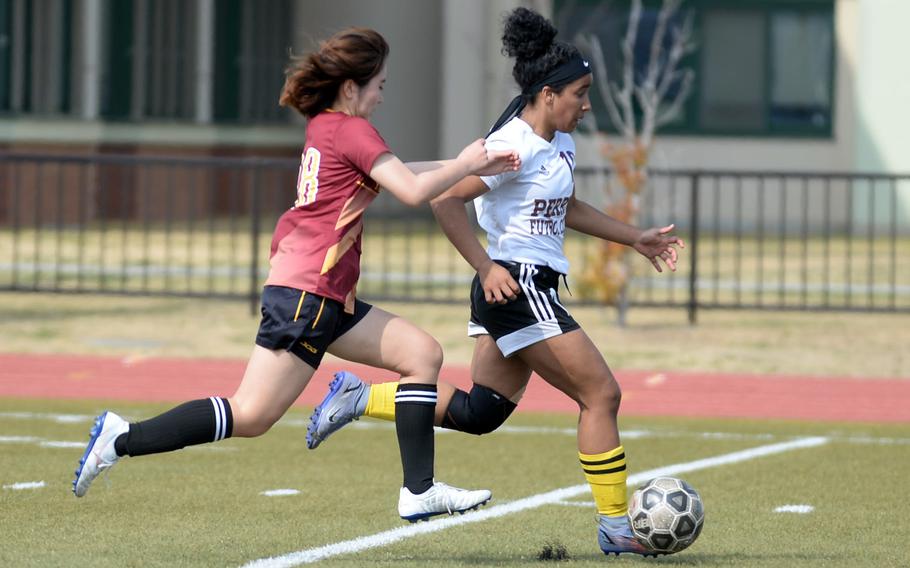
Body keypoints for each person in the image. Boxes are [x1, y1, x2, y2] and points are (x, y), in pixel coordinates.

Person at [72, 26, 522, 523]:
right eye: (379, 85)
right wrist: (465, 162)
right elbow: (413, 192)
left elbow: (398, 171)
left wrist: (476, 165)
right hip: (309, 294)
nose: (380, 96)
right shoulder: (352, 130)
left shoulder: (328, 126)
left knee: (421, 354)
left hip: (321, 294)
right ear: (352, 86)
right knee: (250, 415)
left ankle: (418, 490)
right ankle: (122, 438)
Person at [304, 9, 683, 556]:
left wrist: (633, 238)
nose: (587, 103)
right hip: (516, 286)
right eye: (580, 92)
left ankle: (361, 398)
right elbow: (445, 199)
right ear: (548, 94)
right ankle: (615, 526)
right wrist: (486, 266)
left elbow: (564, 205)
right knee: (601, 394)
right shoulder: (515, 145)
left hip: (523, 288)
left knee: (482, 411)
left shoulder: (559, 143)